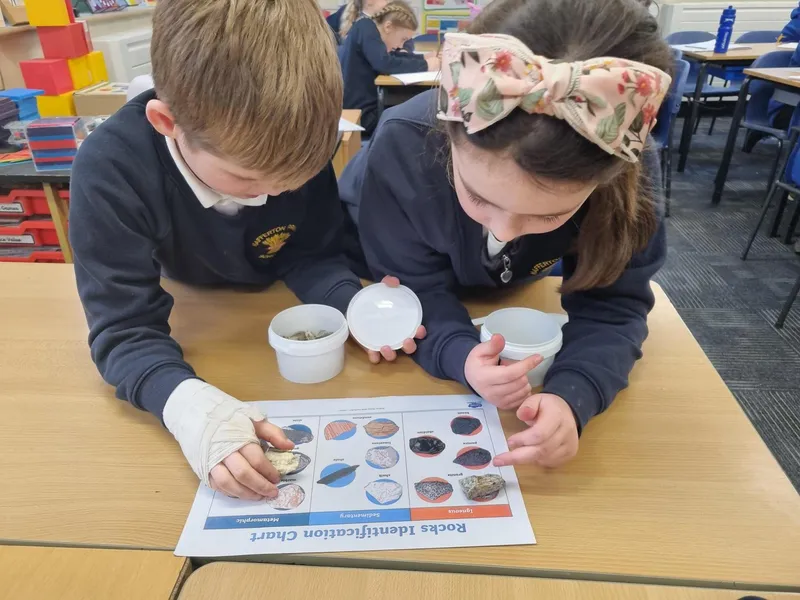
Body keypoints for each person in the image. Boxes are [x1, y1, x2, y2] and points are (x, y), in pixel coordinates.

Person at [69, 0, 423, 502]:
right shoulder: (110, 169)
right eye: (248, 179)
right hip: (202, 317)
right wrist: (192, 409)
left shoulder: (290, 140)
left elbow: (314, 252)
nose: (272, 195)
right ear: (167, 123)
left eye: (294, 176)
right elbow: (124, 330)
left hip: (270, 309)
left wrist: (353, 305)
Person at [340, 0, 671, 468]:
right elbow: (414, 285)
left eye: (547, 216)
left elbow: (614, 303)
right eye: (478, 198)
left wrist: (575, 394)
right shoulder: (402, 144)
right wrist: (457, 353)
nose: (503, 230)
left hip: (508, 289)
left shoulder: (628, 166)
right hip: (394, 261)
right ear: (447, 139)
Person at [340, 1, 440, 136]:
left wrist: (423, 59)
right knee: (423, 112)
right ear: (388, 27)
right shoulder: (365, 27)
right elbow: (385, 63)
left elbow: (393, 56)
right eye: (403, 39)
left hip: (369, 110)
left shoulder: (369, 30)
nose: (401, 45)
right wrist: (426, 65)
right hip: (363, 116)